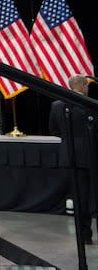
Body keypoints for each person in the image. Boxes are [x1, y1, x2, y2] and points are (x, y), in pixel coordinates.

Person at [49, 74, 98, 244]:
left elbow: (54, 130)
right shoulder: (91, 106)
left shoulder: (56, 106)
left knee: (79, 197)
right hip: (91, 154)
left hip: (69, 156)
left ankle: (84, 236)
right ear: (84, 86)